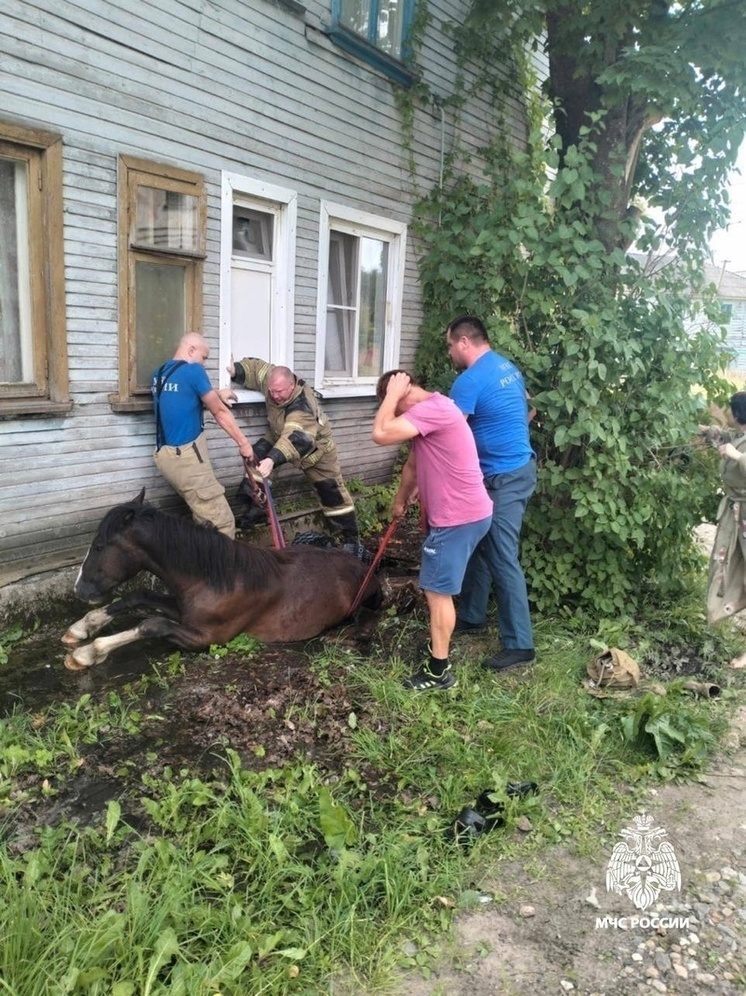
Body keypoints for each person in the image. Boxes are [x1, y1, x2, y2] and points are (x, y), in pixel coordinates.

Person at [372, 370, 493, 691]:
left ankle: (439, 671)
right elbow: (414, 464)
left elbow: (380, 434)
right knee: (439, 587)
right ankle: (439, 650)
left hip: (457, 518)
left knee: (437, 591)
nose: (394, 413)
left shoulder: (431, 409)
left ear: (401, 394)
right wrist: (401, 499)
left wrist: (390, 396)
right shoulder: (434, 409)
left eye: (394, 405)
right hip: (467, 513)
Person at [446, 315, 536, 672]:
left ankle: (520, 645)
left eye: (450, 344)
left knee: (501, 554)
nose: (450, 351)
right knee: (482, 544)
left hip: (504, 478)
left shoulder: (468, 381)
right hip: (517, 469)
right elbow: (529, 407)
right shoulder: (507, 367)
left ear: (464, 342)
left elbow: (447, 436)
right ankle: (471, 615)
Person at [226, 357, 363, 554]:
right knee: (255, 456)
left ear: (291, 386)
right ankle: (256, 510)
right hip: (279, 435)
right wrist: (236, 370)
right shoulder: (274, 381)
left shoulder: (303, 404)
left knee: (331, 492)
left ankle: (350, 540)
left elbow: (297, 437)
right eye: (271, 391)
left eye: (280, 392)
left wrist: (272, 459)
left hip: (315, 449)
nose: (274, 396)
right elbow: (257, 370)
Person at [151, 333, 254, 539]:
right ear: (191, 350)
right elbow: (220, 412)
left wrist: (215, 392)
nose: (204, 363)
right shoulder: (193, 371)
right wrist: (244, 444)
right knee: (221, 524)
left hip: (165, 456)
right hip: (187, 458)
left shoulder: (160, 372)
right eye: (204, 357)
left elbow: (183, 393)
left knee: (202, 519)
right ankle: (221, 570)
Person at [706, 391, 746, 629]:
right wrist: (709, 432)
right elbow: (726, 438)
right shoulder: (739, 436)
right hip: (736, 514)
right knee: (726, 566)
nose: (727, 412)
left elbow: (736, 452)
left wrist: (738, 456)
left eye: (730, 409)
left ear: (739, 413)